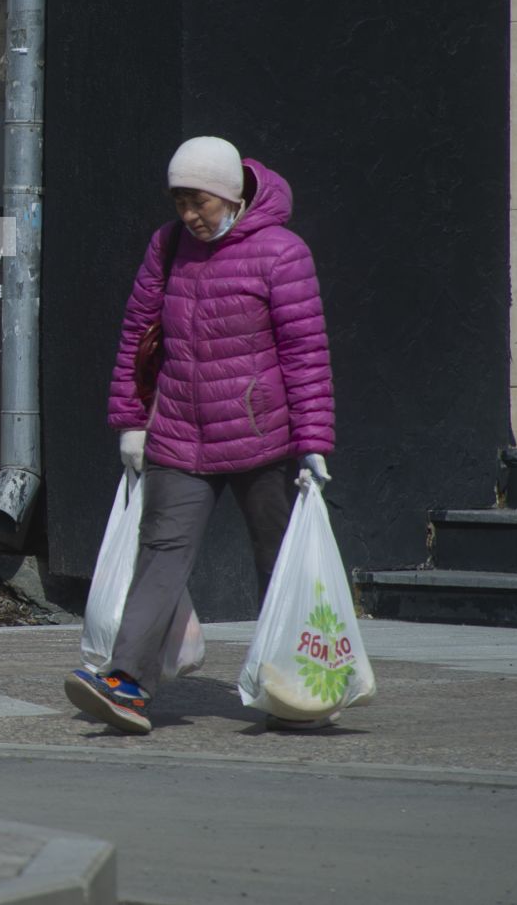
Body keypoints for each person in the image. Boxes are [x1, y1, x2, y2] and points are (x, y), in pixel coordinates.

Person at [65, 136, 335, 736]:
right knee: (161, 552)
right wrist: (132, 421)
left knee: (278, 560)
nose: (188, 215)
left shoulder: (281, 254)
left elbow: (306, 353)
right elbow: (139, 334)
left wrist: (313, 440)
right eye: (180, 201)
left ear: (230, 195)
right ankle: (127, 682)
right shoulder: (166, 249)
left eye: (199, 202)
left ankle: (296, 687)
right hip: (181, 433)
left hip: (262, 436)